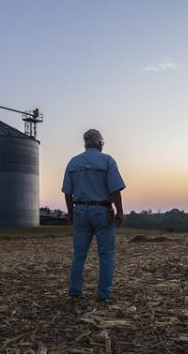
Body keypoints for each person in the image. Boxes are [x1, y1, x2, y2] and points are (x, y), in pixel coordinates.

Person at [62, 129, 126, 302]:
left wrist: (70, 213)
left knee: (79, 255)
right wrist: (120, 212)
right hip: (102, 211)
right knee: (106, 254)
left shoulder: (73, 162)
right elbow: (115, 190)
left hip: (80, 210)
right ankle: (104, 294)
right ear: (100, 143)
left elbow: (67, 192)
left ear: (85, 143)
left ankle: (75, 291)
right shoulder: (107, 161)